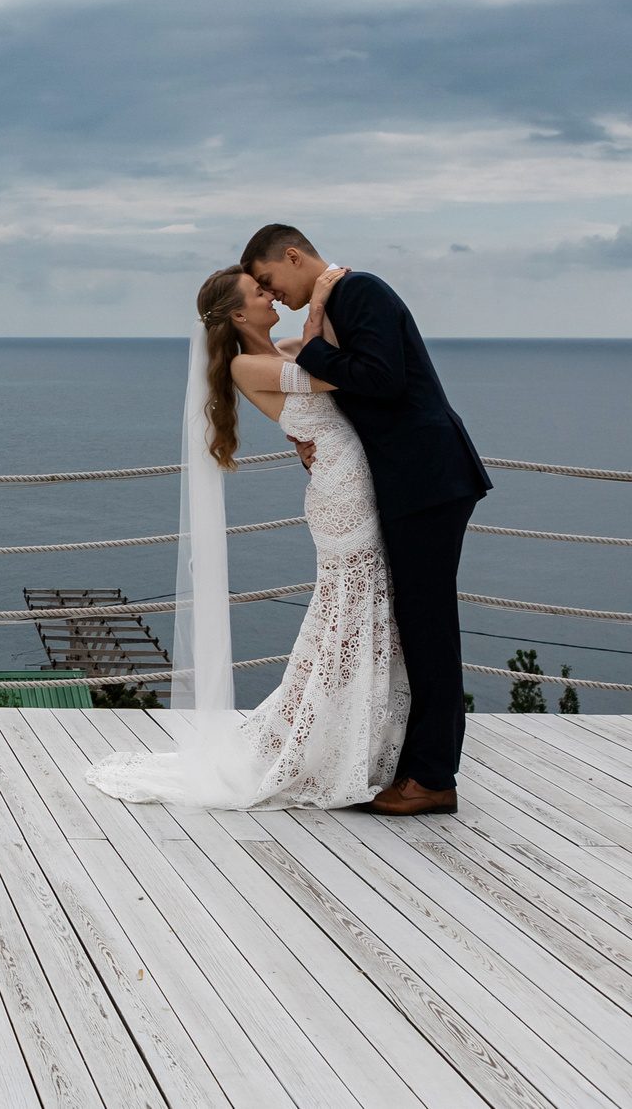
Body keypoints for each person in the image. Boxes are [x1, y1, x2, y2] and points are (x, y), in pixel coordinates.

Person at [86, 266, 409, 810]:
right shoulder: (245, 363)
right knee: (353, 607)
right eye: (260, 293)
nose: (270, 297)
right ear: (238, 314)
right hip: (341, 491)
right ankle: (333, 742)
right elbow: (335, 377)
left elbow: (336, 364)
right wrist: (320, 300)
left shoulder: (283, 346)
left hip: (350, 475)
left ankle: (356, 735)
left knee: (360, 607)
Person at [246, 224, 489, 816]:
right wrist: (308, 441)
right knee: (420, 623)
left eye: (269, 280)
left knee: (429, 627)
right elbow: (356, 392)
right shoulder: (342, 301)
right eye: (259, 290)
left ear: (294, 255)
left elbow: (383, 379)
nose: (271, 294)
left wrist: (308, 346)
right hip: (412, 480)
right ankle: (418, 764)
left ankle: (433, 778)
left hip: (427, 479)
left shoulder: (361, 292)